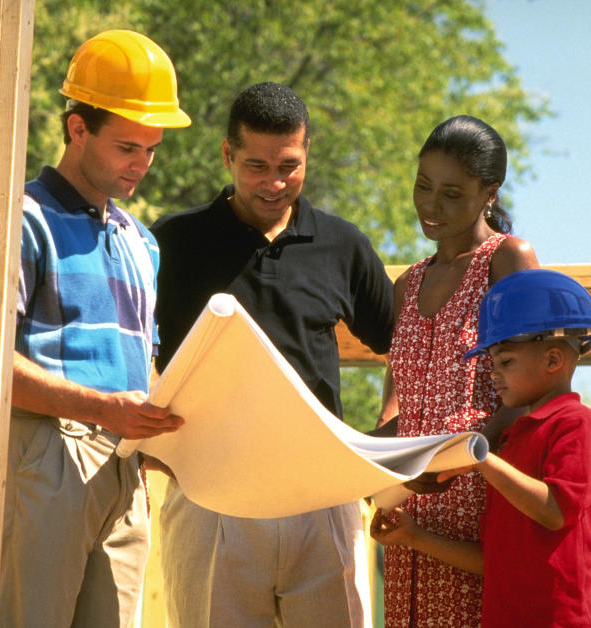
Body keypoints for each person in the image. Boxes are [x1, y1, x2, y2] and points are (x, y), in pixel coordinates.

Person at [151, 81, 394, 627]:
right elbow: (132, 345)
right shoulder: (173, 242)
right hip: (211, 492)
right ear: (227, 154)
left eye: (289, 165)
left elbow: (405, 342)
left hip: (322, 494)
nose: (274, 183)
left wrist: (385, 428)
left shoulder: (343, 245)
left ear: (307, 152)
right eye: (256, 166)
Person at [0, 30, 189, 627]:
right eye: (128, 147)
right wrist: (102, 407)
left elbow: (146, 366)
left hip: (126, 468)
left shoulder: (142, 243)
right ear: (78, 128)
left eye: (152, 149)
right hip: (48, 455)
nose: (143, 165)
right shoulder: (20, 219)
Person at [371, 269, 591, 627]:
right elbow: (493, 561)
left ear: (553, 360)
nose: (493, 374)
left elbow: (554, 510)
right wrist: (414, 536)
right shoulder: (514, 439)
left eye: (505, 362)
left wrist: (481, 459)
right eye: (491, 364)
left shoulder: (579, 425)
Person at [372, 115, 538, 626]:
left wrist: (458, 459)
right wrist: (372, 458)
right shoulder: (407, 283)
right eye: (423, 186)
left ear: (489, 193)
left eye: (451, 193)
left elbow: (530, 391)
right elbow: (397, 402)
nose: (430, 206)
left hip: (478, 495)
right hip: (410, 504)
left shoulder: (508, 259)